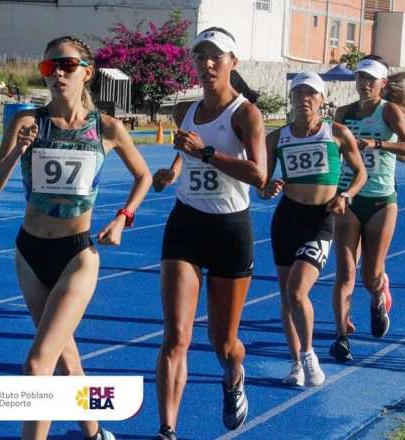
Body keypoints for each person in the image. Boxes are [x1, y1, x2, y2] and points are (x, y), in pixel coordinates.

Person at [0, 35, 151, 440]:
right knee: (65, 360)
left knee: (38, 365)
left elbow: (143, 175)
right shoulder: (27, 123)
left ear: (87, 72)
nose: (57, 73)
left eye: (67, 65)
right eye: (49, 66)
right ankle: (96, 435)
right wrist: (16, 153)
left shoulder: (106, 128)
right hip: (30, 253)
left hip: (77, 255)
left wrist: (123, 217)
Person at [152, 28, 267, 438]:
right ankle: (167, 429)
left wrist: (205, 152)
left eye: (216, 56)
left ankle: (234, 374)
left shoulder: (245, 114)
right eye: (201, 56)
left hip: (229, 230)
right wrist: (172, 173)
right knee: (176, 335)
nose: (208, 63)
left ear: (233, 62)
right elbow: (184, 151)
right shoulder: (185, 109)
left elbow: (258, 175)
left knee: (223, 342)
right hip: (185, 224)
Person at [260, 72, 366, 387]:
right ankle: (295, 364)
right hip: (287, 218)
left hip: (320, 220)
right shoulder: (277, 138)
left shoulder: (337, 133)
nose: (304, 98)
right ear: (291, 98)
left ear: (322, 99)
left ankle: (308, 355)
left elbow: (360, 173)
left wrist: (346, 196)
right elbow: (262, 185)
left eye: (311, 93)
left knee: (297, 291)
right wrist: (268, 187)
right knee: (286, 298)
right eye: (299, 93)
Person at [330, 56, 405, 361]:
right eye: (360, 78)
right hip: (349, 196)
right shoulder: (343, 113)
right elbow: (333, 151)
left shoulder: (388, 111)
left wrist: (378, 145)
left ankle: (379, 293)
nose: (364, 84)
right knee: (344, 273)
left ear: (383, 83)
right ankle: (341, 337)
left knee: (370, 275)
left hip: (381, 199)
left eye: (370, 79)